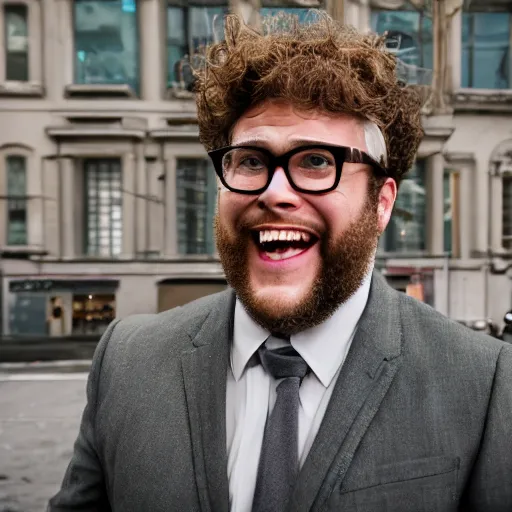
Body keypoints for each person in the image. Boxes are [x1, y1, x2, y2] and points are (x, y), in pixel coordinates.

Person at [48, 13, 512, 512]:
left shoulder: (484, 382)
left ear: (381, 203)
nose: (274, 192)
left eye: (316, 161)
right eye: (249, 161)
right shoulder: (127, 361)